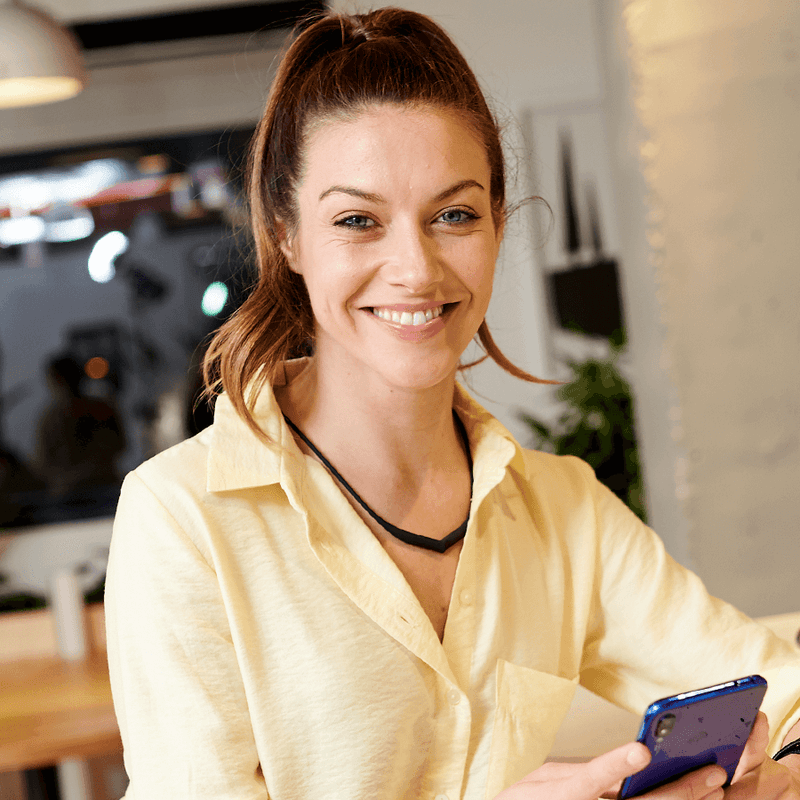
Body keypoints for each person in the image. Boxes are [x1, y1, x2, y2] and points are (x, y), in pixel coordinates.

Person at [105, 7, 800, 799]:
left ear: (498, 225)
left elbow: (784, 694)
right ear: (287, 235)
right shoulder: (181, 519)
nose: (415, 268)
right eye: (358, 220)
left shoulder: (562, 511)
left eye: (454, 215)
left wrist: (773, 780)